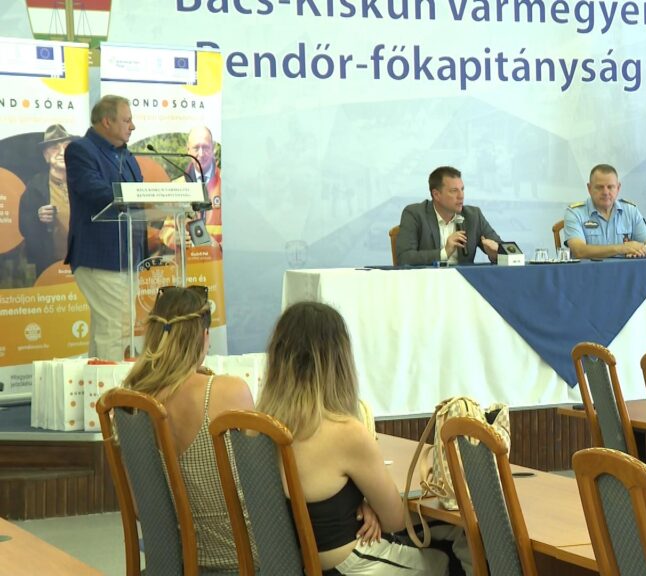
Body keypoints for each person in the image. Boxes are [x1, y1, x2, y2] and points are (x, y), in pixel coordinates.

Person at [257, 302, 468, 575]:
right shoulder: (345, 432)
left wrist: (362, 502)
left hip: (298, 564)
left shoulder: (257, 427)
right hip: (349, 563)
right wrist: (373, 506)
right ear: (338, 361)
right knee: (459, 545)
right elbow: (394, 520)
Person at [121, 285, 257, 571]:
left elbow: (139, 509)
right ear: (204, 336)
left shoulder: (129, 404)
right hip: (239, 560)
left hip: (172, 563)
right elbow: (263, 487)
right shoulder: (228, 391)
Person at [65, 95, 144, 360]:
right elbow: (96, 192)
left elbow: (138, 201)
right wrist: (140, 196)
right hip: (100, 256)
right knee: (116, 330)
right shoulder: (80, 150)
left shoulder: (127, 155)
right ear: (107, 121)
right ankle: (113, 386)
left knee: (112, 329)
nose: (132, 126)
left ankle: (97, 385)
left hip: (128, 257)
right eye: (126, 120)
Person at [395, 166, 501, 266]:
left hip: (462, 279)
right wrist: (444, 253)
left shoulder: (473, 216)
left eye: (462, 189)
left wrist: (496, 254)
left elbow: (507, 251)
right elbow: (404, 258)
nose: (461, 196)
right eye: (454, 191)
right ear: (436, 195)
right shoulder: (415, 214)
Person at [563, 164, 646, 259]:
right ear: (589, 188)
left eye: (610, 187)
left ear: (618, 188)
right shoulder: (575, 213)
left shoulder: (630, 211)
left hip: (625, 269)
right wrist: (621, 248)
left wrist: (643, 250)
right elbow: (579, 251)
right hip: (589, 269)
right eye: (600, 187)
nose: (605, 192)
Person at [18, 124, 75, 280]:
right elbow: (24, 226)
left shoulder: (84, 183)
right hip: (49, 267)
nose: (62, 152)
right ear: (46, 155)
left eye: (66, 147)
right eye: (55, 148)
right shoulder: (35, 186)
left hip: (83, 265)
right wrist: (38, 217)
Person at [160, 126, 222, 249]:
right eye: (196, 148)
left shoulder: (228, 185)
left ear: (213, 148)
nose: (201, 154)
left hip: (219, 259)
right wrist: (175, 238)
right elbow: (165, 230)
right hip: (188, 259)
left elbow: (241, 230)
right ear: (188, 150)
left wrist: (219, 247)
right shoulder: (177, 186)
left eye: (205, 147)